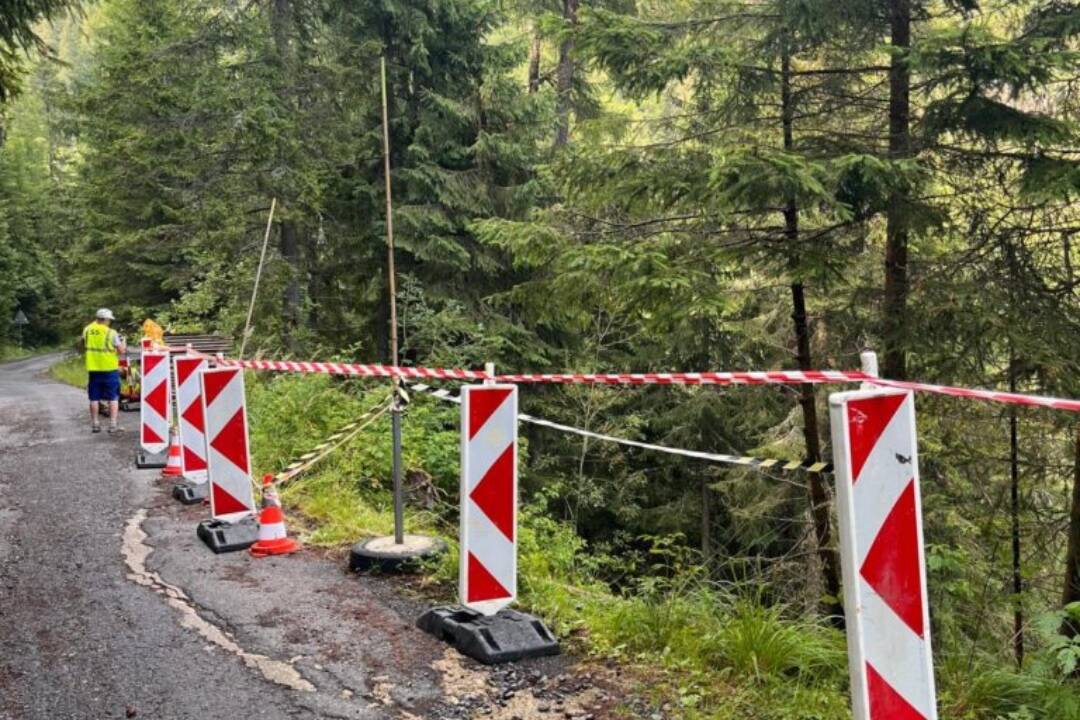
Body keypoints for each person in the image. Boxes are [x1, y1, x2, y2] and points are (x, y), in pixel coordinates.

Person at [81, 308, 127, 434]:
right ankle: (113, 424)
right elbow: (121, 351)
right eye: (109, 320)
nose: (110, 322)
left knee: (94, 398)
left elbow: (83, 345)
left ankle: (95, 424)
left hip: (93, 369)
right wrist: (123, 342)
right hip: (109, 369)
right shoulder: (111, 333)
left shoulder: (87, 330)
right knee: (113, 397)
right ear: (106, 320)